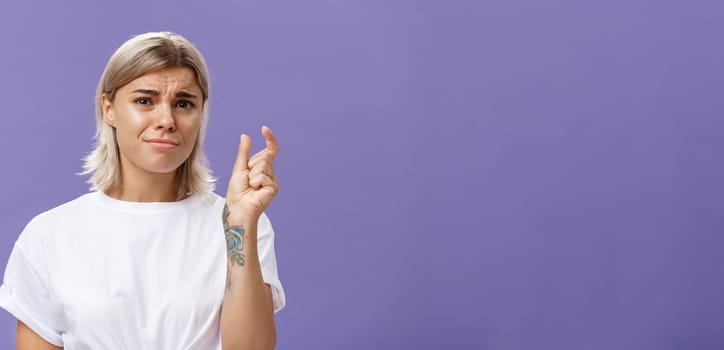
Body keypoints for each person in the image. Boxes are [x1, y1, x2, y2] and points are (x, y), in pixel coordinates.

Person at [0, 32, 285, 349]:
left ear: (200, 113)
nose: (166, 120)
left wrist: (241, 223)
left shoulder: (240, 225)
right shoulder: (49, 235)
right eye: (144, 101)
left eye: (183, 103)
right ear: (108, 108)